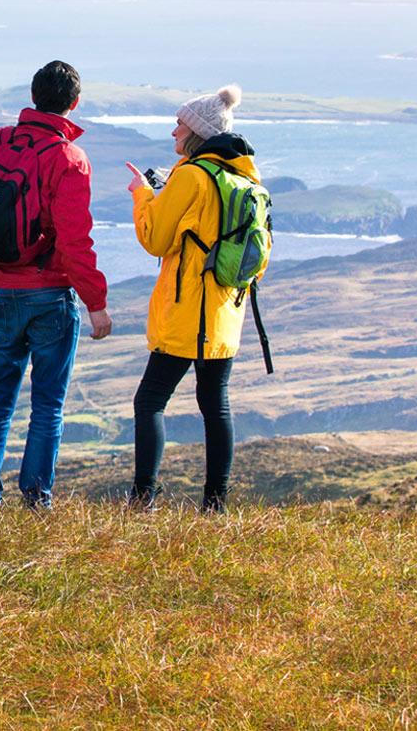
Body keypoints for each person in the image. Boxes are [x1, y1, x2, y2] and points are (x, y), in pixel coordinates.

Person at [0, 60, 112, 511]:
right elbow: (74, 239)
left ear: (33, 95)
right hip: (50, 297)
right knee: (47, 405)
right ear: (74, 104)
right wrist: (95, 303)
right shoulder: (68, 158)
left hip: (4, 292)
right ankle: (36, 501)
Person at [123, 84, 261, 513]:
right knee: (215, 404)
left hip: (187, 313)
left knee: (149, 401)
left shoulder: (192, 176)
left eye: (179, 125)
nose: (173, 133)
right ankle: (215, 504)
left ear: (197, 131)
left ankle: (143, 498)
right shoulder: (242, 178)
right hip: (225, 311)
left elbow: (155, 239)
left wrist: (143, 195)